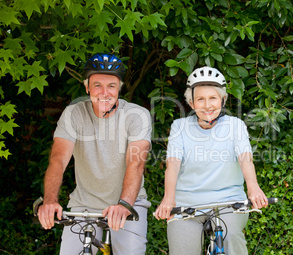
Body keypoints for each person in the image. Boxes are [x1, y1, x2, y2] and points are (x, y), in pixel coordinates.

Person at [37, 53, 152, 254]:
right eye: (97, 85)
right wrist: (49, 201)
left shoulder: (137, 116)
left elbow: (136, 163)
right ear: (87, 87)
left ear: (120, 88)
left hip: (129, 204)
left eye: (111, 86)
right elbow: (58, 159)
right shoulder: (74, 113)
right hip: (85, 205)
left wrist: (124, 204)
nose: (104, 92)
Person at [154, 66, 268, 254]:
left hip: (229, 202)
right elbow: (172, 165)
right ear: (191, 103)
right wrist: (169, 199)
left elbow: (245, 159)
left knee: (231, 239)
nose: (207, 105)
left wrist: (253, 188)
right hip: (187, 204)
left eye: (213, 98)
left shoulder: (235, 125)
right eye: (200, 99)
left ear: (223, 100)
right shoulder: (179, 127)